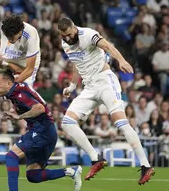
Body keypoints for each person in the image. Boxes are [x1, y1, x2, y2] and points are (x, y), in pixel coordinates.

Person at [57, 17, 154, 184]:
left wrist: (121, 60)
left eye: (68, 34)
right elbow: (76, 64)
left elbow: (108, 46)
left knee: (120, 123)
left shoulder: (88, 34)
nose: (66, 38)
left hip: (105, 81)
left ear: (74, 27)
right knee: (67, 122)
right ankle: (96, 159)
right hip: (89, 87)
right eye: (63, 35)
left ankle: (146, 165)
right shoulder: (66, 44)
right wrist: (73, 86)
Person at [0, 71, 82, 191]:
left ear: (9, 83)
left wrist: (19, 117)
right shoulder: (15, 90)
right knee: (33, 175)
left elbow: (39, 108)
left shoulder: (19, 94)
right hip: (47, 132)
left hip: (42, 130)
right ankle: (71, 171)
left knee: (11, 157)